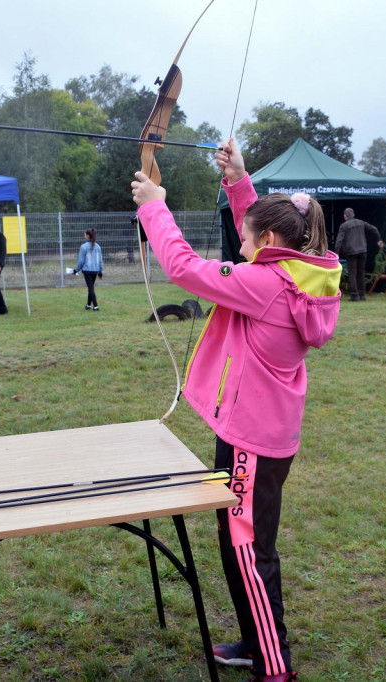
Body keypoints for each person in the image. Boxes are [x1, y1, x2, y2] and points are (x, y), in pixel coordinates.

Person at [131, 139, 341, 682]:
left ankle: (275, 666)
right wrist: (238, 178)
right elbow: (264, 231)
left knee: (248, 549)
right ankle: (255, 642)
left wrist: (154, 204)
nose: (240, 248)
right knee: (239, 541)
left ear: (268, 242)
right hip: (258, 433)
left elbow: (182, 266)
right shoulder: (299, 272)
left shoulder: (264, 284)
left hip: (253, 439)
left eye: (247, 240)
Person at [334, 208, 383, 301]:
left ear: (345, 216)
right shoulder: (361, 222)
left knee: (352, 273)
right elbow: (374, 229)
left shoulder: (343, 226)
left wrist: (336, 253)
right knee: (361, 273)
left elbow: (339, 241)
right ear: (353, 215)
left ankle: (354, 295)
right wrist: (379, 240)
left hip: (351, 252)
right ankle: (362, 295)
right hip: (362, 251)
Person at [74, 227, 104, 310]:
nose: (84, 235)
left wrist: (75, 270)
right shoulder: (98, 247)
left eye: (85, 234)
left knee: (91, 288)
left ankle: (96, 306)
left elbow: (81, 261)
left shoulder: (83, 247)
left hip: (87, 271)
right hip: (95, 270)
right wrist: (100, 272)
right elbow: (100, 260)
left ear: (87, 235)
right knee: (90, 287)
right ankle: (88, 305)